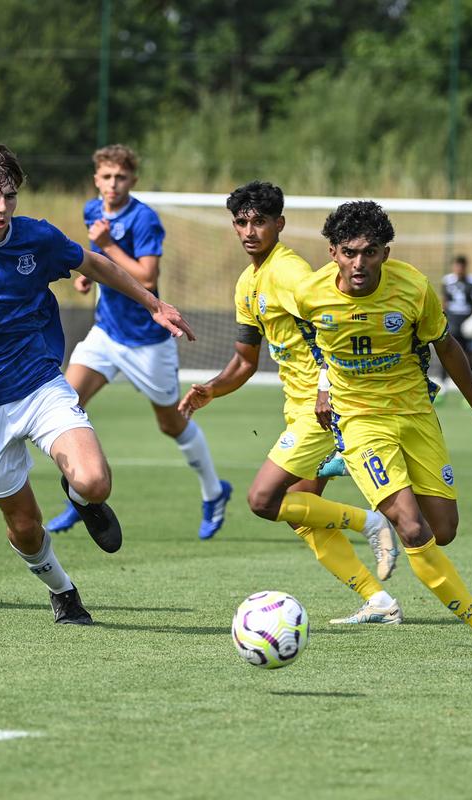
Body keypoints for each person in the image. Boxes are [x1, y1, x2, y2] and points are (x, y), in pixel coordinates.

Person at [0, 144, 194, 625]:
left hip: (39, 385)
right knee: (26, 529)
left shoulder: (36, 238)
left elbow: (93, 264)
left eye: (10, 196)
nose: (2, 207)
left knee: (94, 480)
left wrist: (153, 303)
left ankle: (80, 499)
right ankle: (63, 591)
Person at [288, 201, 472, 662]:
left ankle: (360, 473)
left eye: (370, 252)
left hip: (415, 414)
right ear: (332, 252)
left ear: (385, 254)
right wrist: (325, 387)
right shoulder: (309, 295)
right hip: (359, 420)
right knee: (411, 528)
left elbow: (447, 347)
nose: (359, 263)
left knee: (443, 530)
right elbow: (315, 345)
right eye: (349, 252)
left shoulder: (414, 288)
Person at [177, 182, 401, 624]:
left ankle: (371, 522)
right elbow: (245, 360)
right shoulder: (248, 282)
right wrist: (213, 388)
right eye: (241, 222)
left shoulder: (292, 273)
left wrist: (325, 390)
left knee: (263, 500)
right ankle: (379, 601)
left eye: (259, 221)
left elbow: (330, 331)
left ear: (279, 224)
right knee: (303, 514)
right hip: (298, 406)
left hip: (322, 406)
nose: (249, 230)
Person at [45, 144, 230, 540]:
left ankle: (215, 492)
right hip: (106, 333)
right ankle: (83, 497)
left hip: (147, 341)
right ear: (96, 179)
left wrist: (108, 246)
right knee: (64, 407)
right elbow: (101, 263)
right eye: (106, 177)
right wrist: (88, 275)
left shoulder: (144, 218)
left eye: (121, 177)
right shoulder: (92, 210)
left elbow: (146, 278)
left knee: (172, 423)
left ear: (133, 180)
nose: (113, 184)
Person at [440, 254, 472, 379]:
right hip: (452, 323)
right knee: (446, 353)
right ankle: (443, 388)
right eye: (456, 266)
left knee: (469, 356)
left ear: (465, 267)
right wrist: (441, 319)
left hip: (467, 323)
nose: (458, 269)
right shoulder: (447, 281)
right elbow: (444, 302)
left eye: (461, 266)